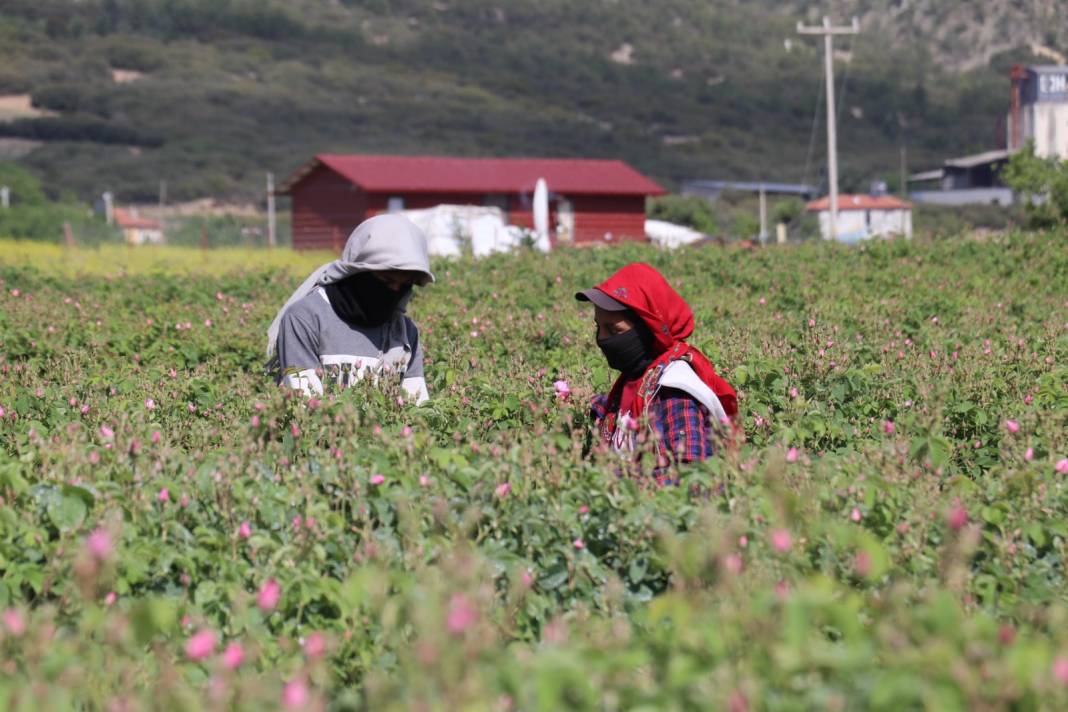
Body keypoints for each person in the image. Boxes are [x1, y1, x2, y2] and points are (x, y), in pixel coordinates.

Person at [576, 262, 738, 480]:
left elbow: (691, 477)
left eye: (614, 330)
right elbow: (623, 419)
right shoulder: (633, 379)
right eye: (599, 327)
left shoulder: (673, 390)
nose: (602, 339)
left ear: (647, 330)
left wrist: (620, 488)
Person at [265, 214, 434, 403]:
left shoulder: (404, 332)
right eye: (387, 280)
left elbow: (415, 406)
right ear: (357, 273)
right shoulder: (306, 318)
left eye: (405, 285)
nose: (395, 292)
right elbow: (305, 404)